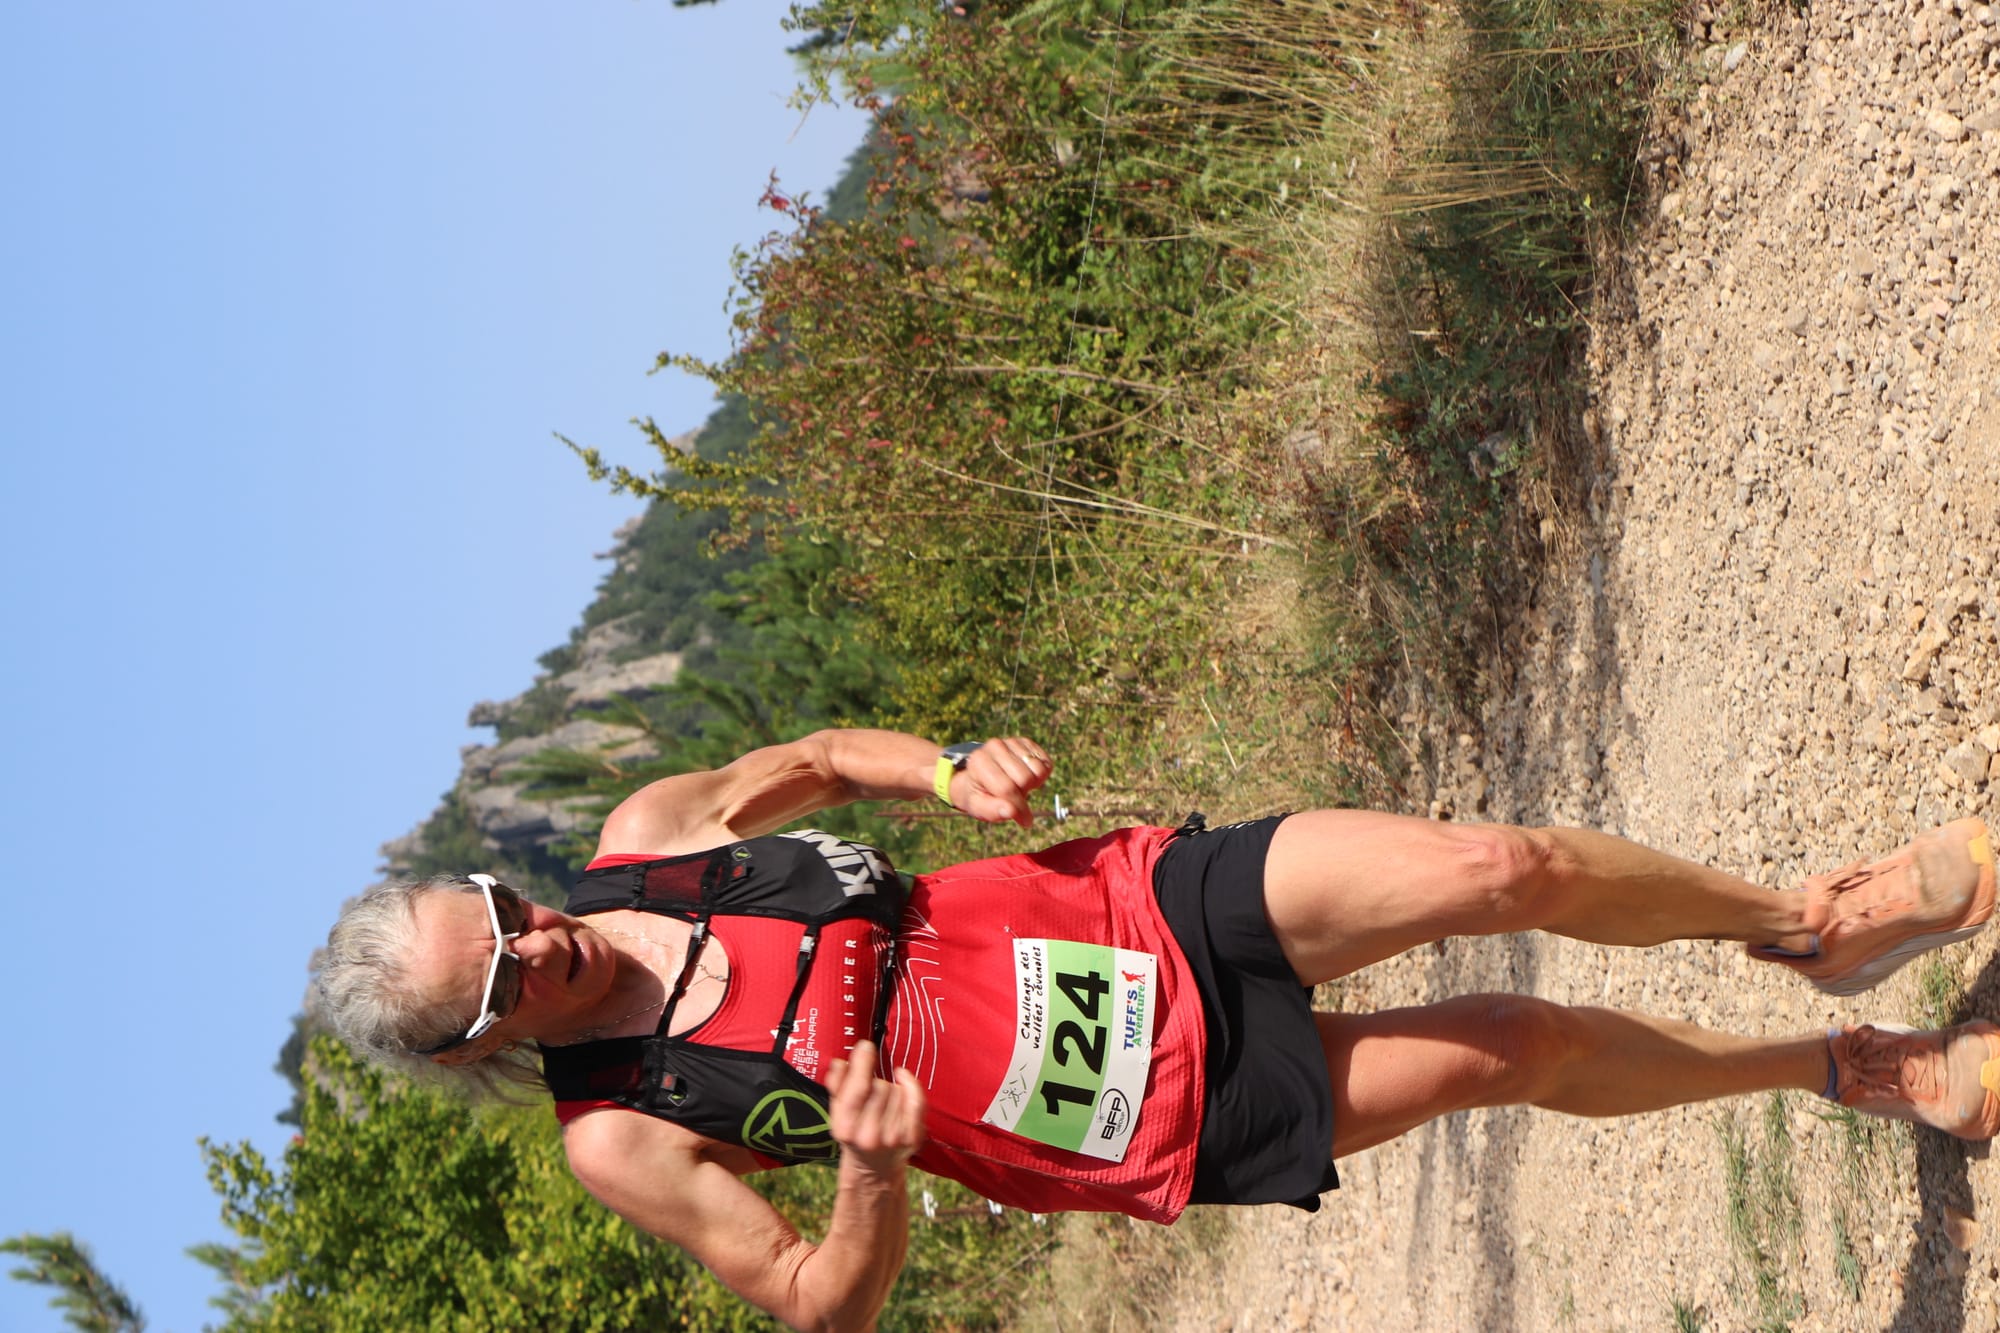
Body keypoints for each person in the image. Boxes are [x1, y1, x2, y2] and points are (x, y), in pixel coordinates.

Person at [313, 728, 2000, 1333]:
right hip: (1121, 1102)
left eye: (506, 903)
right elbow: (821, 1304)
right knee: (1520, 1049)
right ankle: (1850, 1070)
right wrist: (875, 1178)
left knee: (1497, 866)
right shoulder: (619, 1126)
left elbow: (819, 757)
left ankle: (1810, 928)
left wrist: (946, 765)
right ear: (480, 1044)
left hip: (1115, 907)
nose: (542, 936)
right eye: (507, 974)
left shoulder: (654, 830)